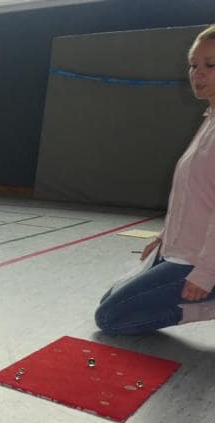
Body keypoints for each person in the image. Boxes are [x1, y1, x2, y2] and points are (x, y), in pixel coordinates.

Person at [95, 25, 215, 335]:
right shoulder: (209, 120)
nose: (197, 73)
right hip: (182, 248)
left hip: (202, 259)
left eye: (210, 65)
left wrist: (205, 274)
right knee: (110, 300)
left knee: (110, 318)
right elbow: (193, 196)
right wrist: (165, 237)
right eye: (193, 65)